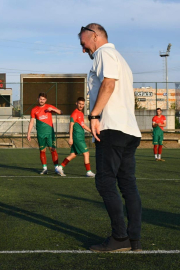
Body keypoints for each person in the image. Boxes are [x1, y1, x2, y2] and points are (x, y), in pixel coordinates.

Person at [79, 23, 142, 252]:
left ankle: (119, 237)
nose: (83, 49)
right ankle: (133, 239)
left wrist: (94, 115)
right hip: (129, 130)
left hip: (112, 128)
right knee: (127, 185)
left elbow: (108, 84)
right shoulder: (120, 58)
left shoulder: (104, 53)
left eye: (83, 43)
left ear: (94, 36)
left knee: (105, 182)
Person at [56, 97, 95, 177]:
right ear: (76, 103)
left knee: (73, 154)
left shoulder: (81, 113)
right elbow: (71, 125)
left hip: (80, 137)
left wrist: (91, 131)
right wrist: (70, 138)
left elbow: (83, 125)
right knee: (86, 153)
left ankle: (60, 167)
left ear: (84, 105)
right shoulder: (74, 113)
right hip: (77, 137)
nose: (81, 105)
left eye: (82, 104)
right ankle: (88, 172)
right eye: (79, 104)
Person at [27, 92, 63, 175]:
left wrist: (53, 109)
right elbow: (32, 122)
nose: (42, 101)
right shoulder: (34, 110)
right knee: (42, 151)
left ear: (45, 100)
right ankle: (44, 168)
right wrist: (28, 133)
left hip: (50, 133)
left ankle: (57, 168)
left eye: (43, 99)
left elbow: (61, 112)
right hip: (40, 134)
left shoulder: (49, 107)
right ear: (38, 99)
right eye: (40, 99)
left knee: (53, 150)